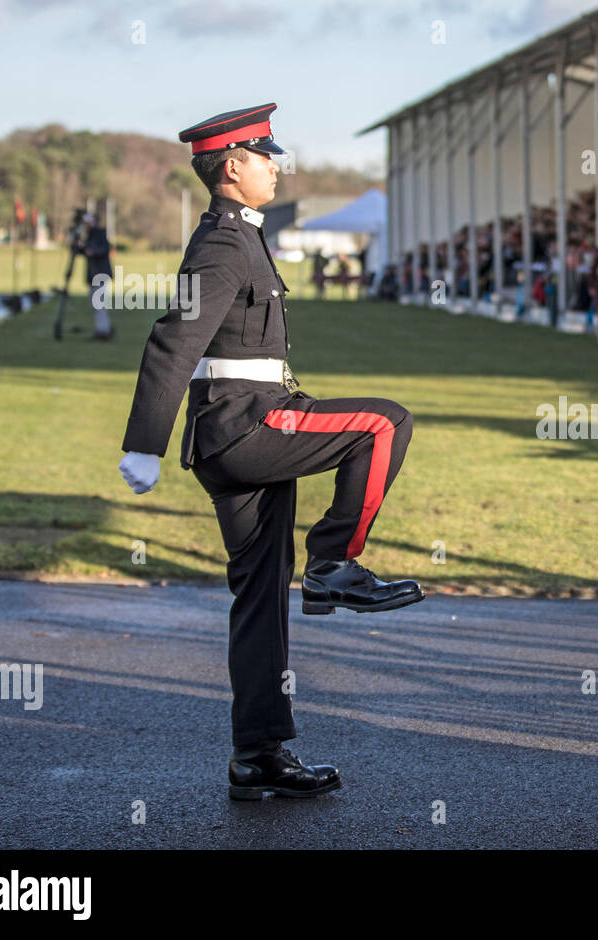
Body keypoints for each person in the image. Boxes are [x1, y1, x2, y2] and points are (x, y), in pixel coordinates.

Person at [116, 104, 423, 801]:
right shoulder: (223, 244)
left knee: (259, 595)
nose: (276, 167)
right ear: (232, 167)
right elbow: (174, 339)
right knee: (384, 424)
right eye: (265, 157)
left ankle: (258, 755)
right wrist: (144, 445)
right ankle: (335, 564)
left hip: (244, 426)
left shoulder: (241, 238)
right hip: (245, 429)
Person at [81, 213, 115, 340]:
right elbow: (83, 250)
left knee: (98, 303)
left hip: (99, 274)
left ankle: (103, 331)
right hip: (93, 274)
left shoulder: (99, 233)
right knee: (95, 303)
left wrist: (93, 252)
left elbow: (104, 249)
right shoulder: (89, 235)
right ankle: (103, 328)